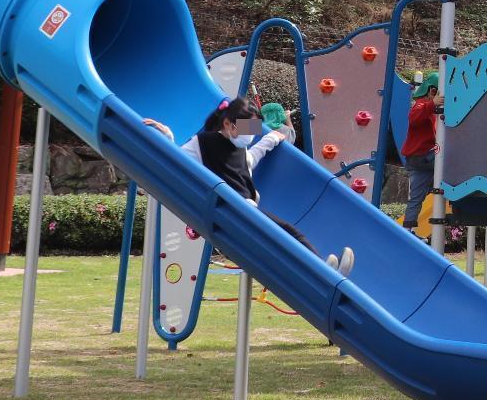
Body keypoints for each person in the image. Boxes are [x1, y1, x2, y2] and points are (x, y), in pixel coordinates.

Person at [144, 103, 353, 275]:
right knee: (285, 235)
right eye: (247, 129)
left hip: (246, 209)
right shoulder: (204, 143)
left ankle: (324, 270)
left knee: (289, 232)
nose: (250, 135)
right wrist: (168, 138)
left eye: (253, 130)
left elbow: (248, 162)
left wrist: (270, 139)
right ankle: (324, 272)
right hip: (232, 211)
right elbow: (177, 162)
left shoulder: (239, 146)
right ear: (228, 124)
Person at [401, 73, 441, 238]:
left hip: (420, 161)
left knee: (416, 197)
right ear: (432, 91)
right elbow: (414, 118)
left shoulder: (432, 109)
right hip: (421, 156)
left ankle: (408, 230)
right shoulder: (421, 104)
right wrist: (432, 104)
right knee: (445, 161)